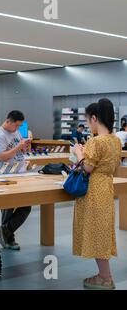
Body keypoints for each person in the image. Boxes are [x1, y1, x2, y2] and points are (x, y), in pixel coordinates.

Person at [73, 99, 121, 290]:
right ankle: (105, 275)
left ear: (94, 118)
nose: (87, 124)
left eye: (88, 120)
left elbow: (87, 167)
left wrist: (79, 152)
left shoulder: (95, 141)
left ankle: (105, 277)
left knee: (95, 231)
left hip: (93, 190)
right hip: (106, 188)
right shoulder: (115, 140)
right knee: (102, 231)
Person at [0, 110, 32, 250]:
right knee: (8, 208)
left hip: (20, 172)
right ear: (8, 121)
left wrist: (24, 147)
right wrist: (18, 147)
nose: (17, 129)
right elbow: (1, 157)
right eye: (16, 125)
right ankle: (8, 237)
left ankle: (6, 231)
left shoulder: (15, 131)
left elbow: (20, 150)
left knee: (26, 206)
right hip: (6, 175)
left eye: (19, 126)